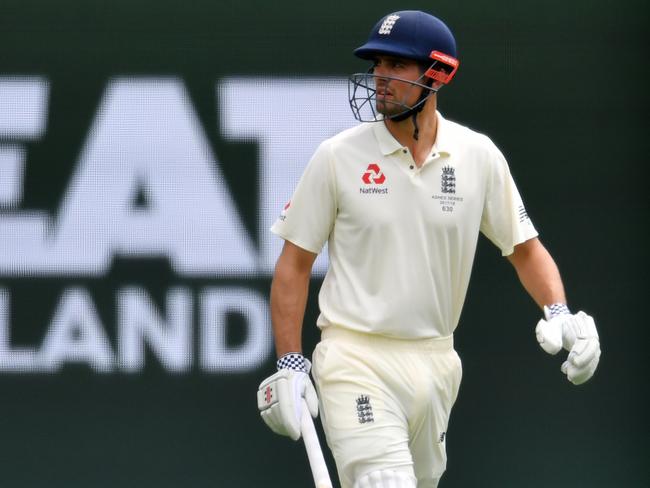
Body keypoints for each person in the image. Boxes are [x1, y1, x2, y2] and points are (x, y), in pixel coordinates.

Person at [256, 10, 601, 488]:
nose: (380, 78)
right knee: (384, 481)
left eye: (396, 66)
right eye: (377, 65)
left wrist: (559, 311)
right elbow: (294, 266)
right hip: (354, 356)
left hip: (437, 364)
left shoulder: (477, 155)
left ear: (436, 75)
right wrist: (291, 362)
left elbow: (524, 248)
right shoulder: (337, 156)